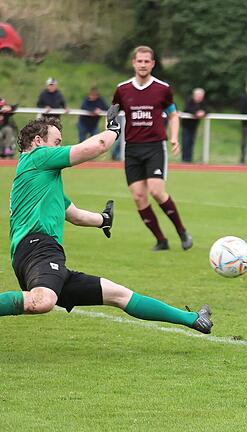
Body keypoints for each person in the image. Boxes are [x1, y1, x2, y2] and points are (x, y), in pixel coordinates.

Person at [0, 111, 213, 334]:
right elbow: (98, 146)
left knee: (119, 294)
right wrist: (113, 129)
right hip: (39, 250)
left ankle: (193, 319)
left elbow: (75, 215)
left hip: (43, 255)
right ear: (38, 142)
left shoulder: (40, 181)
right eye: (57, 142)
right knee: (42, 301)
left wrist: (103, 220)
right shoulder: (38, 158)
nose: (59, 147)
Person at [112, 45, 192, 251]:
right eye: (139, 61)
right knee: (139, 196)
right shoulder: (122, 90)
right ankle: (161, 240)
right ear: (134, 63)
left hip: (155, 147)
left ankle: (181, 231)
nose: (143, 65)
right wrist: (108, 136)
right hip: (132, 149)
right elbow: (112, 115)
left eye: (147, 61)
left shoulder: (162, 89)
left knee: (157, 191)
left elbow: (173, 115)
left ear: (153, 64)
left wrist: (174, 137)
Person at [181, 88, 207, 163]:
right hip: (186, 125)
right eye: (199, 96)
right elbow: (187, 109)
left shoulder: (202, 102)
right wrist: (196, 113)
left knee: (191, 141)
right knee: (186, 141)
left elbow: (207, 109)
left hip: (194, 125)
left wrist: (203, 112)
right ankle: (185, 159)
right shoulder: (189, 100)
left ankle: (189, 159)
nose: (201, 98)